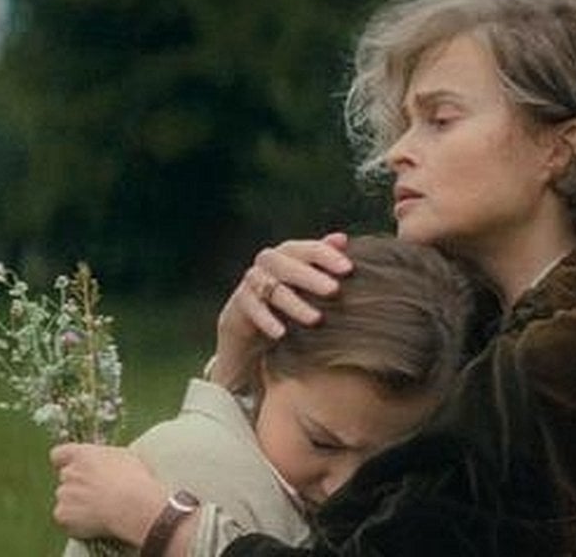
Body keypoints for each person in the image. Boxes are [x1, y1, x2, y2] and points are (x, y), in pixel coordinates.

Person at [60, 0, 576, 556]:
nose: (397, 153)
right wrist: (242, 361)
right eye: (405, 123)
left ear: (559, 149)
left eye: (440, 119)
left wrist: (157, 520)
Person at [51, 236, 477, 556]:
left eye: (386, 465)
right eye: (322, 442)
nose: (342, 486)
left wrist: (161, 522)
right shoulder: (199, 468)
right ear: (264, 368)